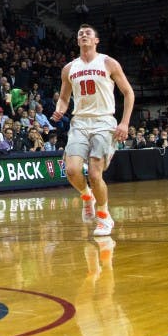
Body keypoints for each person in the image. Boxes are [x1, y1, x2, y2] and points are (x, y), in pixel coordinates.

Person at [53, 24, 135, 237]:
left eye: (88, 33)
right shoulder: (69, 68)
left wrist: (124, 123)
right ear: (77, 41)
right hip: (80, 122)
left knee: (95, 173)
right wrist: (60, 110)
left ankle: (104, 215)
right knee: (71, 170)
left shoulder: (108, 62)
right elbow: (63, 97)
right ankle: (86, 196)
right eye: (80, 34)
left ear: (96, 40)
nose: (83, 35)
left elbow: (128, 93)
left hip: (104, 122)